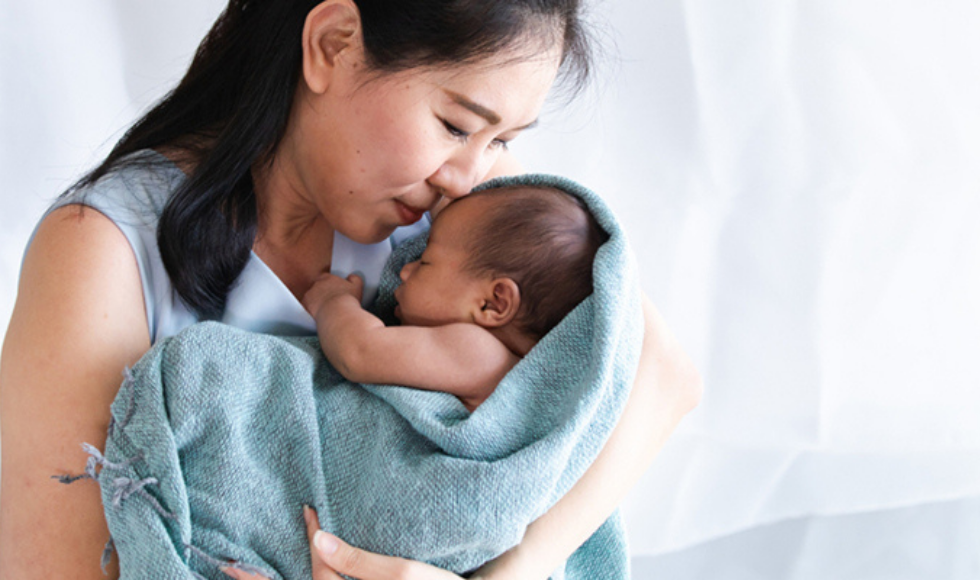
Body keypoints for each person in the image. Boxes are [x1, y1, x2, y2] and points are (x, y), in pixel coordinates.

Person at [0, 0, 702, 578]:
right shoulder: (104, 247)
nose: (470, 173)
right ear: (332, 44)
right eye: (457, 125)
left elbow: (661, 372)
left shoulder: (457, 214)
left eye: (500, 140)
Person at [303, 185, 607, 412]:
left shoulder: (481, 354)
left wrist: (334, 302)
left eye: (425, 262)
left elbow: (358, 352)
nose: (405, 271)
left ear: (493, 304)